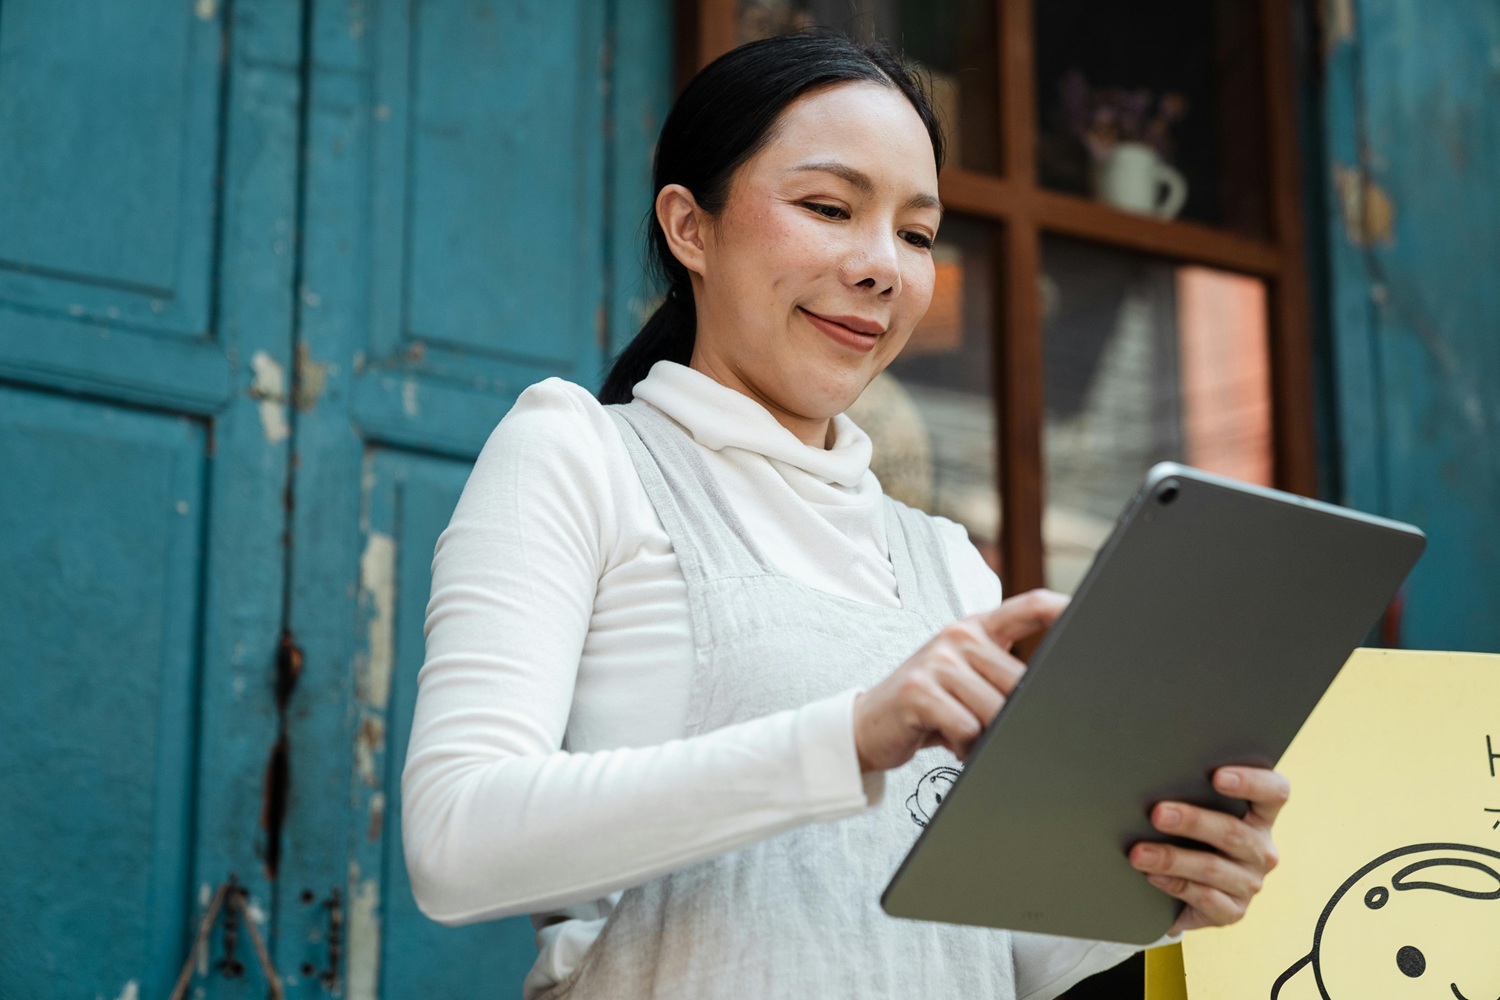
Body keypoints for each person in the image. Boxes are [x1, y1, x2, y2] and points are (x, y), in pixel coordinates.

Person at [401, 28, 1288, 999]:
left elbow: (993, 957)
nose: (882, 268)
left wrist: (1157, 892)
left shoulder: (947, 562)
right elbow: (455, 838)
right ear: (689, 226)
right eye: (829, 207)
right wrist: (851, 734)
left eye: (916, 233)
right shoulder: (582, 454)